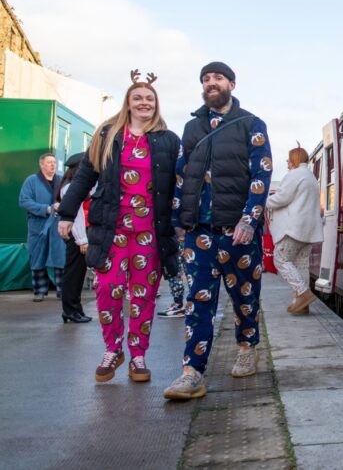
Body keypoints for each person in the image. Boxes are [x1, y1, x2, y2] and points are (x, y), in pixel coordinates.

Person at [58, 70, 180, 383]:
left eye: (149, 99)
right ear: (127, 102)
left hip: (149, 233)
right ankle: (113, 348)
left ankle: (138, 355)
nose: (144, 103)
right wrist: (67, 214)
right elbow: (85, 176)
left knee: (143, 295)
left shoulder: (168, 140)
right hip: (111, 229)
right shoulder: (108, 135)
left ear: (156, 104)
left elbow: (178, 184)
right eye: (137, 98)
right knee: (107, 288)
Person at [164, 61, 272, 401]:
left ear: (232, 84)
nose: (212, 83)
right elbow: (181, 177)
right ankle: (192, 372)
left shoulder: (251, 125)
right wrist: (179, 222)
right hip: (200, 232)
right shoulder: (191, 128)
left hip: (237, 232)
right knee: (198, 302)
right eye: (206, 79)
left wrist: (249, 220)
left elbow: (262, 174)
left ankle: (247, 346)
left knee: (244, 299)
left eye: (218, 78)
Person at [267, 147, 322, 315]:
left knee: (280, 259)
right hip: (309, 229)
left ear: (294, 160)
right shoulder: (310, 176)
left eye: (288, 159)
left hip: (294, 228)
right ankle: (301, 305)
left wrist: (264, 201)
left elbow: (282, 197)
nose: (287, 163)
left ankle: (303, 294)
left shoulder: (295, 174)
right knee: (301, 265)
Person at [18, 153, 65, 301]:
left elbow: (69, 197)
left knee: (60, 257)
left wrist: (61, 206)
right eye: (49, 162)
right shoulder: (31, 181)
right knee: (38, 256)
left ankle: (62, 291)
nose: (53, 165)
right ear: (42, 164)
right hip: (38, 225)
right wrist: (46, 209)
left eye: (54, 162)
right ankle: (39, 291)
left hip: (57, 225)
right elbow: (24, 201)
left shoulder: (61, 180)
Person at [57, 153, 92, 323]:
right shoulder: (71, 188)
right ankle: (70, 310)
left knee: (78, 274)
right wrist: (82, 240)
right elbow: (76, 218)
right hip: (78, 235)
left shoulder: (76, 187)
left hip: (81, 234)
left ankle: (75, 310)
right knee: (73, 274)